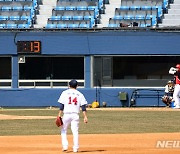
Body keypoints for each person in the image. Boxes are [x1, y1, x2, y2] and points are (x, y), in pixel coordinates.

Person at [57, 79, 88, 153]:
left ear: (69, 85)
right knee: (75, 132)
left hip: (66, 115)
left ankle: (65, 146)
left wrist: (59, 115)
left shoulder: (64, 93)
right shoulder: (80, 94)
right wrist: (85, 117)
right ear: (77, 86)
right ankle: (75, 148)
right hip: (75, 115)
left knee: (63, 130)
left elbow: (62, 105)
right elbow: (83, 107)